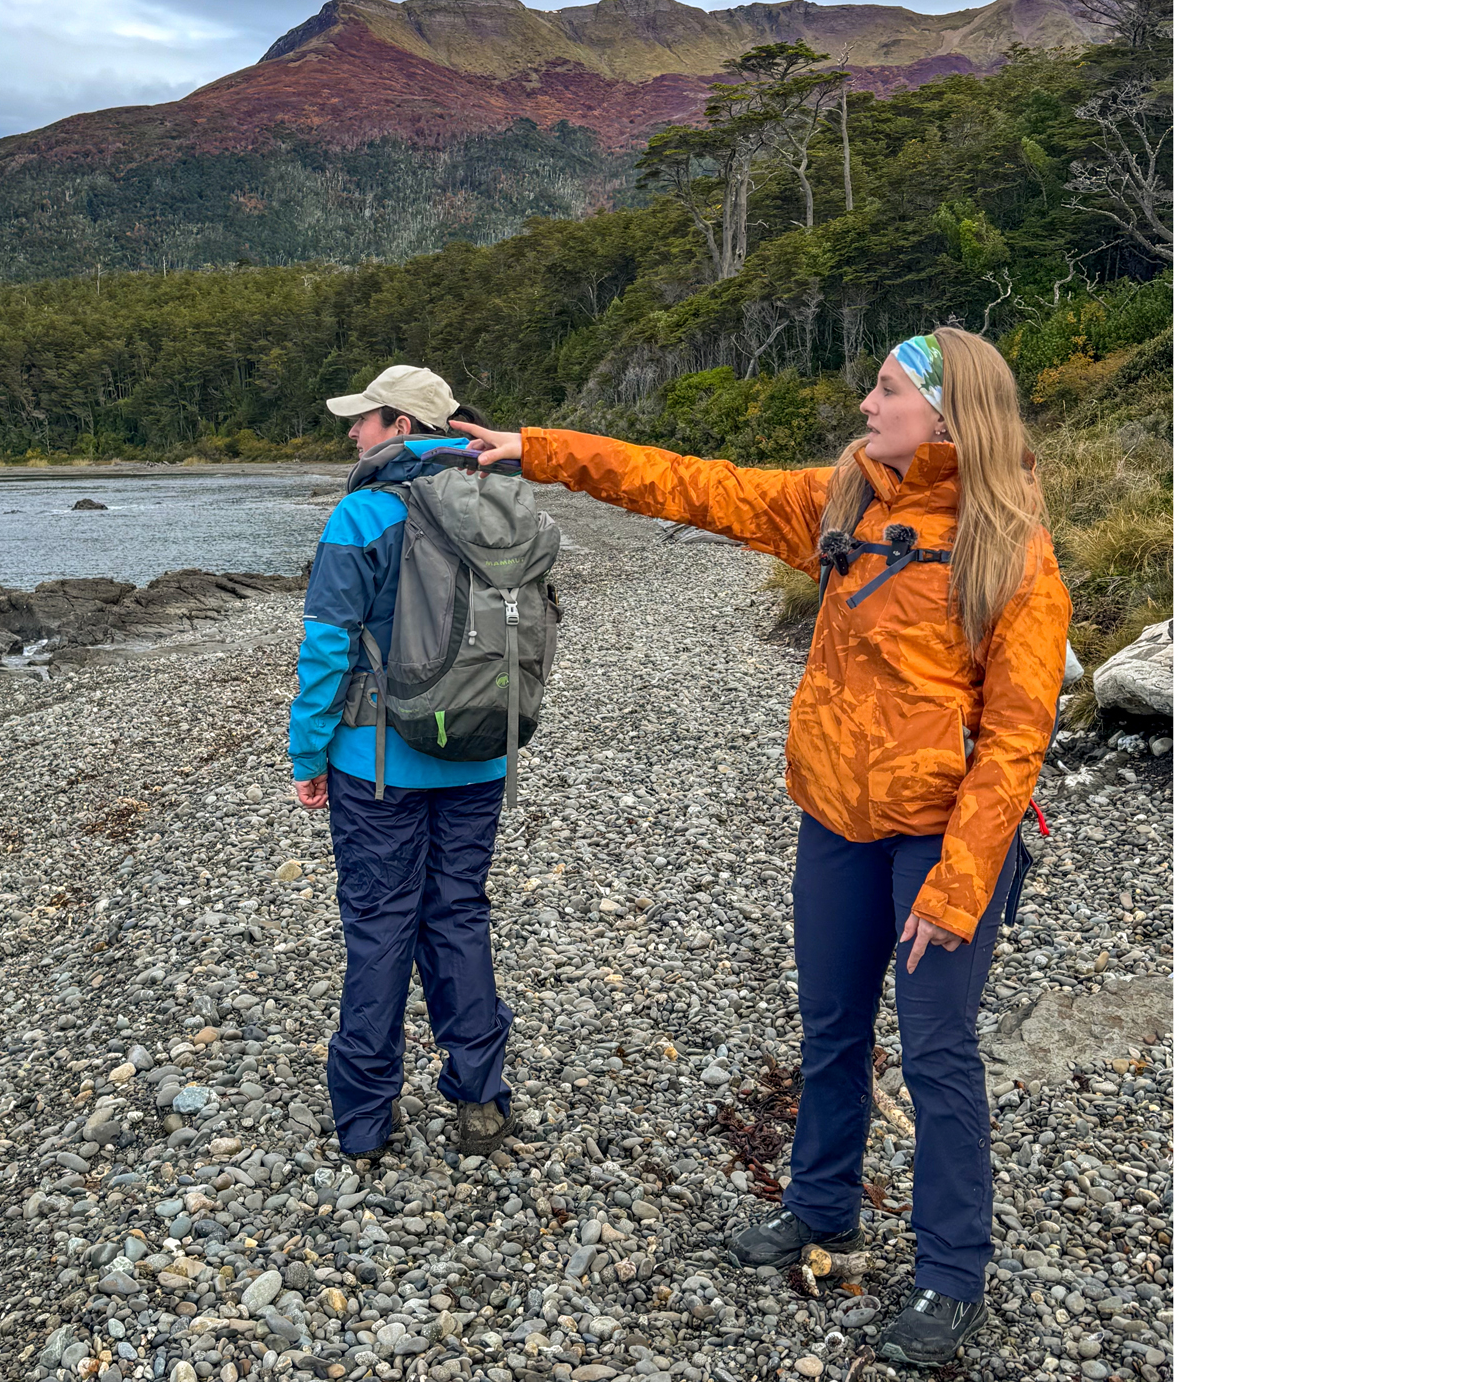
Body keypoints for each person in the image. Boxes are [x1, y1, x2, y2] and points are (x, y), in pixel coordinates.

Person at [457, 328, 1070, 1368]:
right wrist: (540, 448)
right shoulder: (844, 502)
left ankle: (949, 1275)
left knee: (937, 1057)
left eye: (885, 390)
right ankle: (821, 1206)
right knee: (831, 1030)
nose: (866, 406)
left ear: (948, 412)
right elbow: (692, 486)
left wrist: (961, 885)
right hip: (834, 818)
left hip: (942, 844)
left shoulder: (1010, 553)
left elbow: (1015, 742)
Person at [289, 364, 516, 1162]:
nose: (354, 433)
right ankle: (481, 1098)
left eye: (366, 419)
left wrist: (308, 751)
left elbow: (326, 648)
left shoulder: (362, 515)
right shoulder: (505, 502)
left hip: (379, 765)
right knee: (458, 915)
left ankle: (365, 1118)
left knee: (380, 926)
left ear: (403, 428)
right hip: (482, 756)